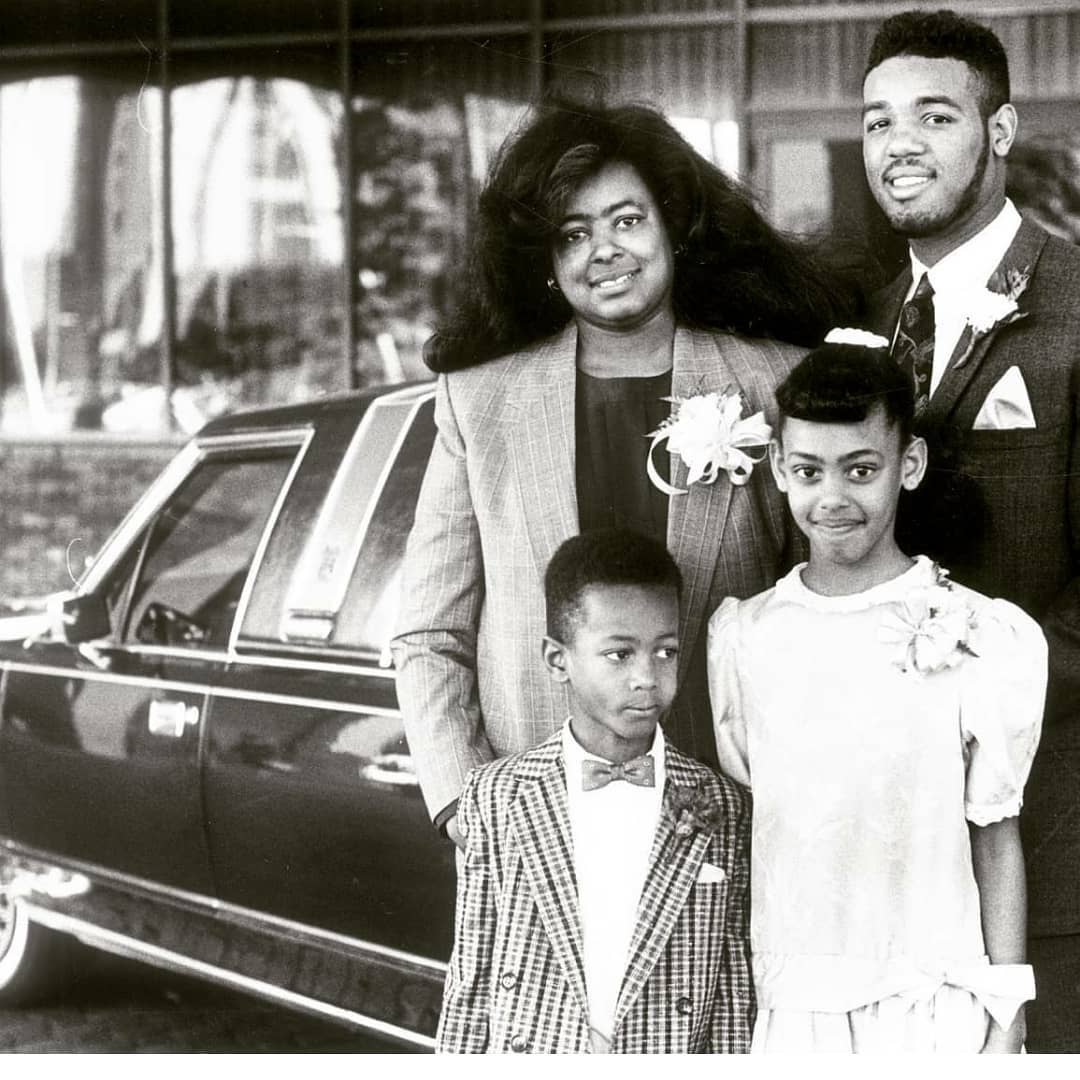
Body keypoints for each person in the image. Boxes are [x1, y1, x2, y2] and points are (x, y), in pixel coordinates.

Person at [392, 97, 858, 848]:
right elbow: (429, 632)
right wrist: (468, 809)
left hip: (741, 824)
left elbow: (832, 612)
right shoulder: (480, 401)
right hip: (533, 833)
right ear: (547, 262)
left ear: (673, 226)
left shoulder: (777, 386)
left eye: (627, 221)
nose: (604, 250)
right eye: (574, 234)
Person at [707, 338, 1047, 1052]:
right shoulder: (747, 637)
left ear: (908, 464)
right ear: (779, 469)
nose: (833, 498)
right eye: (809, 471)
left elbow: (995, 837)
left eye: (861, 470)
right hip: (799, 1010)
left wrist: (1008, 1015)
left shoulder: (976, 631)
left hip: (937, 1009)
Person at [860, 9, 1080, 1051]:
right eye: (878, 121)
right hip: (885, 865)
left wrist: (974, 696)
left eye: (934, 117)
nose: (899, 144)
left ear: (1000, 131)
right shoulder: (863, 326)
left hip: (1055, 840)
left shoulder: (1077, 305)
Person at [437, 528, 753, 1053]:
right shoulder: (497, 794)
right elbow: (470, 978)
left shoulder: (722, 806)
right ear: (557, 660)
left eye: (666, 651)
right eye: (619, 654)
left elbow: (732, 1001)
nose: (647, 677)